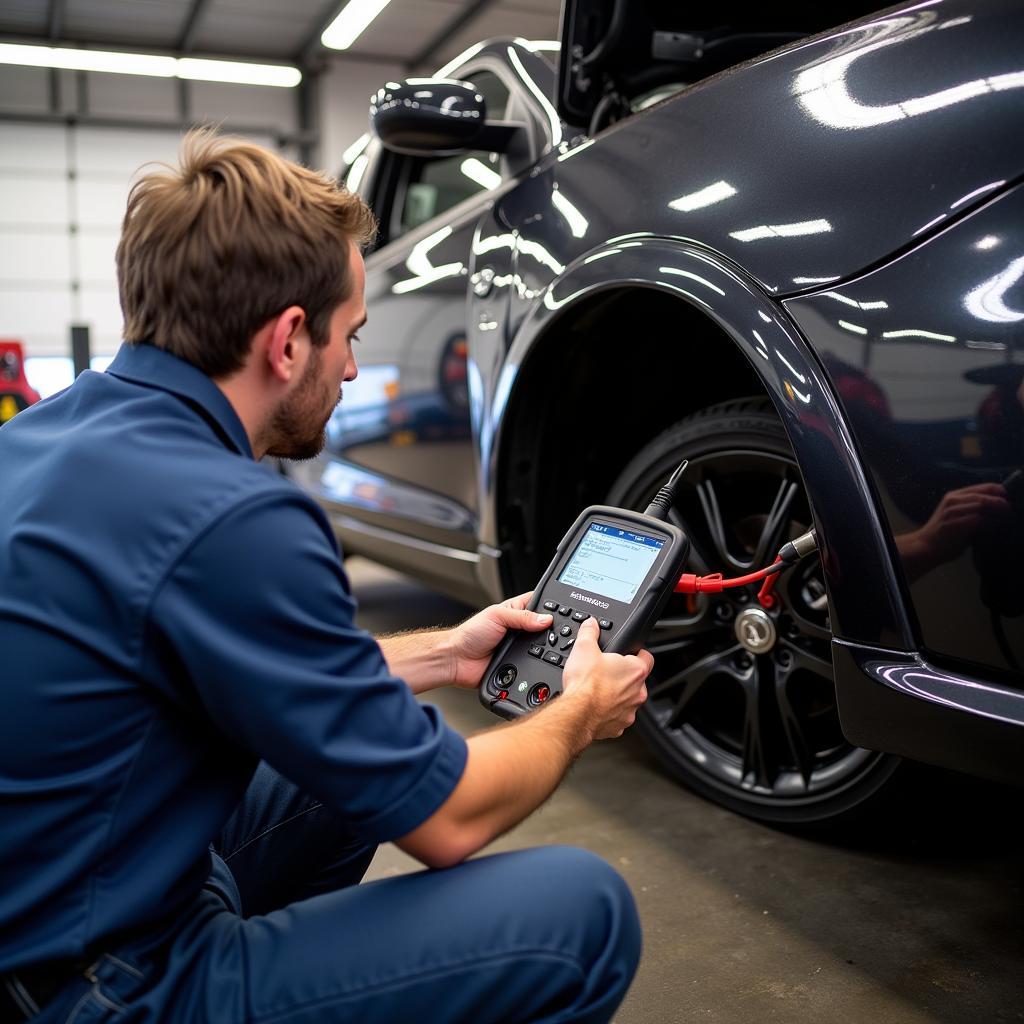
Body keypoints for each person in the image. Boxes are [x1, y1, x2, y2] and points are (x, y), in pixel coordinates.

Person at [0, 129, 652, 1023]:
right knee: (582, 914)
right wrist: (580, 711)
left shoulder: (40, 436)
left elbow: (192, 661)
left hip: (54, 896)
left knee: (347, 769)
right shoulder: (235, 514)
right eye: (350, 335)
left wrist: (446, 654)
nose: (352, 366)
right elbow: (450, 822)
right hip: (98, 985)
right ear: (288, 340)